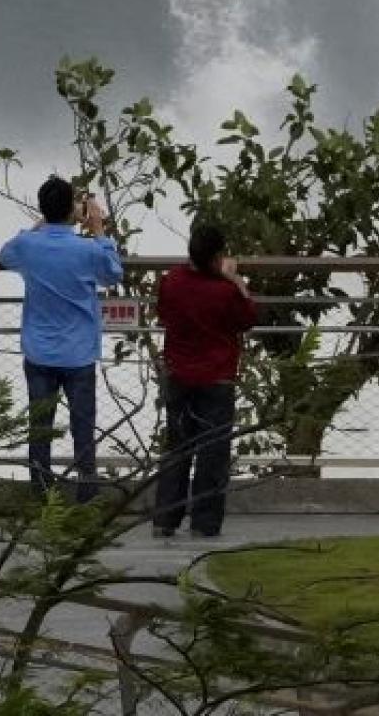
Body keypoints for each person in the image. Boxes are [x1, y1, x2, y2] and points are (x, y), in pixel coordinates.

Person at [0, 177, 123, 504]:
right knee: (83, 429)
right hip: (79, 353)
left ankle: (43, 500)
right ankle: (88, 497)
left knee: (40, 429)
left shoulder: (28, 245)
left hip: (39, 353)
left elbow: (4, 254)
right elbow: (113, 273)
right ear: (73, 209)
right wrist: (97, 227)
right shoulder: (88, 249)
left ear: (42, 208)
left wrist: (42, 224)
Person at [152, 222, 257, 539]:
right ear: (216, 257)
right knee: (213, 451)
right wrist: (236, 280)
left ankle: (165, 518)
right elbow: (247, 318)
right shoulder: (224, 291)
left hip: (179, 374)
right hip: (217, 377)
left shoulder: (171, 282)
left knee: (177, 446)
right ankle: (205, 522)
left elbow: (163, 315)